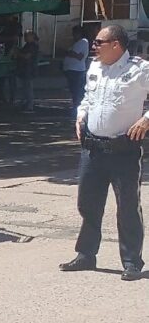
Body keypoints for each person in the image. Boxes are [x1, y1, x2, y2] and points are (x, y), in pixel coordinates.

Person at [62, 25, 146, 282]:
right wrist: (81, 115)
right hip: (93, 149)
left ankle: (132, 261)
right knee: (88, 204)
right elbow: (88, 98)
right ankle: (86, 254)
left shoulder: (139, 69)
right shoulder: (95, 67)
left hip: (123, 149)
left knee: (127, 207)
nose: (94, 46)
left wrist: (146, 119)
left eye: (99, 42)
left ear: (116, 45)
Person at [63, 26, 90, 113]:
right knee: (73, 89)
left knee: (77, 90)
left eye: (75, 33)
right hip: (71, 69)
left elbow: (79, 56)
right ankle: (75, 106)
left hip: (77, 70)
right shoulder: (76, 43)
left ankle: (78, 108)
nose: (74, 35)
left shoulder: (83, 42)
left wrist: (68, 52)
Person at [15, 31, 40, 112]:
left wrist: (18, 53)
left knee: (28, 88)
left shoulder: (33, 46)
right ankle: (26, 103)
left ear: (32, 37)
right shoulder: (28, 45)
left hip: (29, 69)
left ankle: (30, 106)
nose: (25, 38)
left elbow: (27, 56)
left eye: (27, 36)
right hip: (25, 69)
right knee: (25, 87)